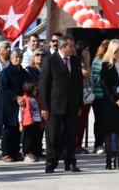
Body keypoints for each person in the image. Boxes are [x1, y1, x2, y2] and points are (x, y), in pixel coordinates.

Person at [39, 35, 83, 174]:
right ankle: (51, 163)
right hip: (54, 105)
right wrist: (44, 107)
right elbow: (43, 85)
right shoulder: (49, 60)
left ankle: (70, 162)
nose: (73, 48)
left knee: (71, 136)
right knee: (53, 136)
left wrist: (79, 104)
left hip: (72, 105)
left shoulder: (75, 61)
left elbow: (79, 84)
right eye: (71, 46)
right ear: (63, 47)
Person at [99, 39, 119, 170]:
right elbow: (104, 85)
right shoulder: (106, 65)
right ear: (114, 51)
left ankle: (118, 159)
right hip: (109, 103)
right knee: (108, 132)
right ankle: (108, 159)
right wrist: (114, 100)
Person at [0, 49, 27, 163]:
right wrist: (16, 97)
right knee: (8, 129)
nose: (18, 59)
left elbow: (29, 83)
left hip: (20, 105)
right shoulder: (6, 72)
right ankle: (6, 153)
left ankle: (15, 152)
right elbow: (3, 88)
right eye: (16, 57)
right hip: (8, 104)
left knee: (17, 129)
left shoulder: (23, 72)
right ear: (11, 58)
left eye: (20, 57)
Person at [18, 81, 43, 163]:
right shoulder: (24, 99)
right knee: (27, 139)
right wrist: (20, 124)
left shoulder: (36, 98)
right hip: (28, 122)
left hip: (36, 121)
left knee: (35, 138)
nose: (36, 91)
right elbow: (20, 112)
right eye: (34, 89)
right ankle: (26, 154)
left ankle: (33, 153)